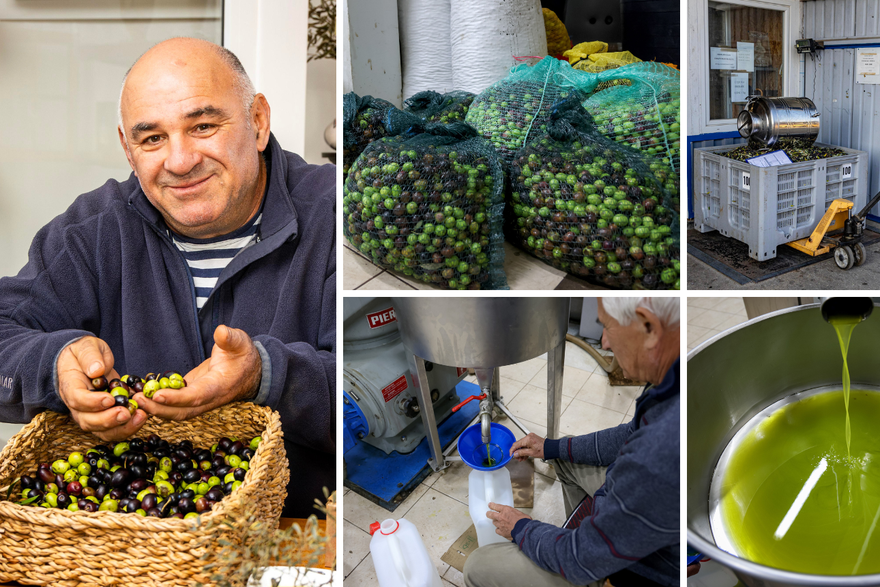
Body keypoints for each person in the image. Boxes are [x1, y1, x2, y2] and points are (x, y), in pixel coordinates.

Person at [0, 38, 335, 518]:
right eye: (152, 138)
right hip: (131, 548)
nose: (180, 162)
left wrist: (266, 375)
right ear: (127, 148)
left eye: (202, 126)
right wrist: (52, 365)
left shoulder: (333, 218)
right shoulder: (92, 229)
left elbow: (361, 391)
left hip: (298, 535)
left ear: (258, 121)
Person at [463, 297, 679, 587]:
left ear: (649, 327)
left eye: (607, 327)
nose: (603, 343)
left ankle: (591, 576)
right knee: (564, 459)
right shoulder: (672, 378)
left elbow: (579, 556)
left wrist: (521, 528)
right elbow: (627, 434)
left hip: (634, 566)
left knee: (478, 567)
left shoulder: (656, 457)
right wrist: (551, 447)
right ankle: (584, 545)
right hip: (634, 522)